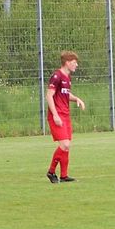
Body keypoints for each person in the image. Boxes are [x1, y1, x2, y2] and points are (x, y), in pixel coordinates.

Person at [46, 51, 86, 183]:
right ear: (67, 63)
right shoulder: (57, 76)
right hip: (57, 116)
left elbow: (65, 94)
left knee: (67, 146)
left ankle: (64, 175)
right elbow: (49, 95)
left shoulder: (67, 77)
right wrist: (55, 115)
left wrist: (77, 99)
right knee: (65, 144)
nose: (77, 65)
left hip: (65, 115)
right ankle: (51, 172)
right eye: (74, 62)